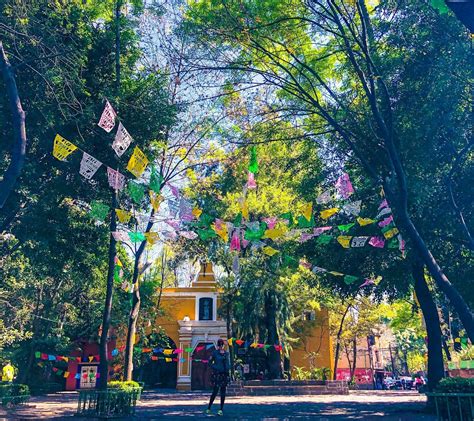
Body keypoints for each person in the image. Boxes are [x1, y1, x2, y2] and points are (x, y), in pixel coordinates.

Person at [205, 339, 230, 416]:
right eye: (219, 345)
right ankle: (209, 408)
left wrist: (228, 369)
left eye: (222, 345)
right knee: (215, 391)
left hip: (224, 374)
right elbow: (209, 362)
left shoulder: (226, 354)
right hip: (217, 374)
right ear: (218, 345)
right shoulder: (215, 353)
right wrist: (215, 367)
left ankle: (221, 409)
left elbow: (228, 363)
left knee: (223, 392)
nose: (221, 346)